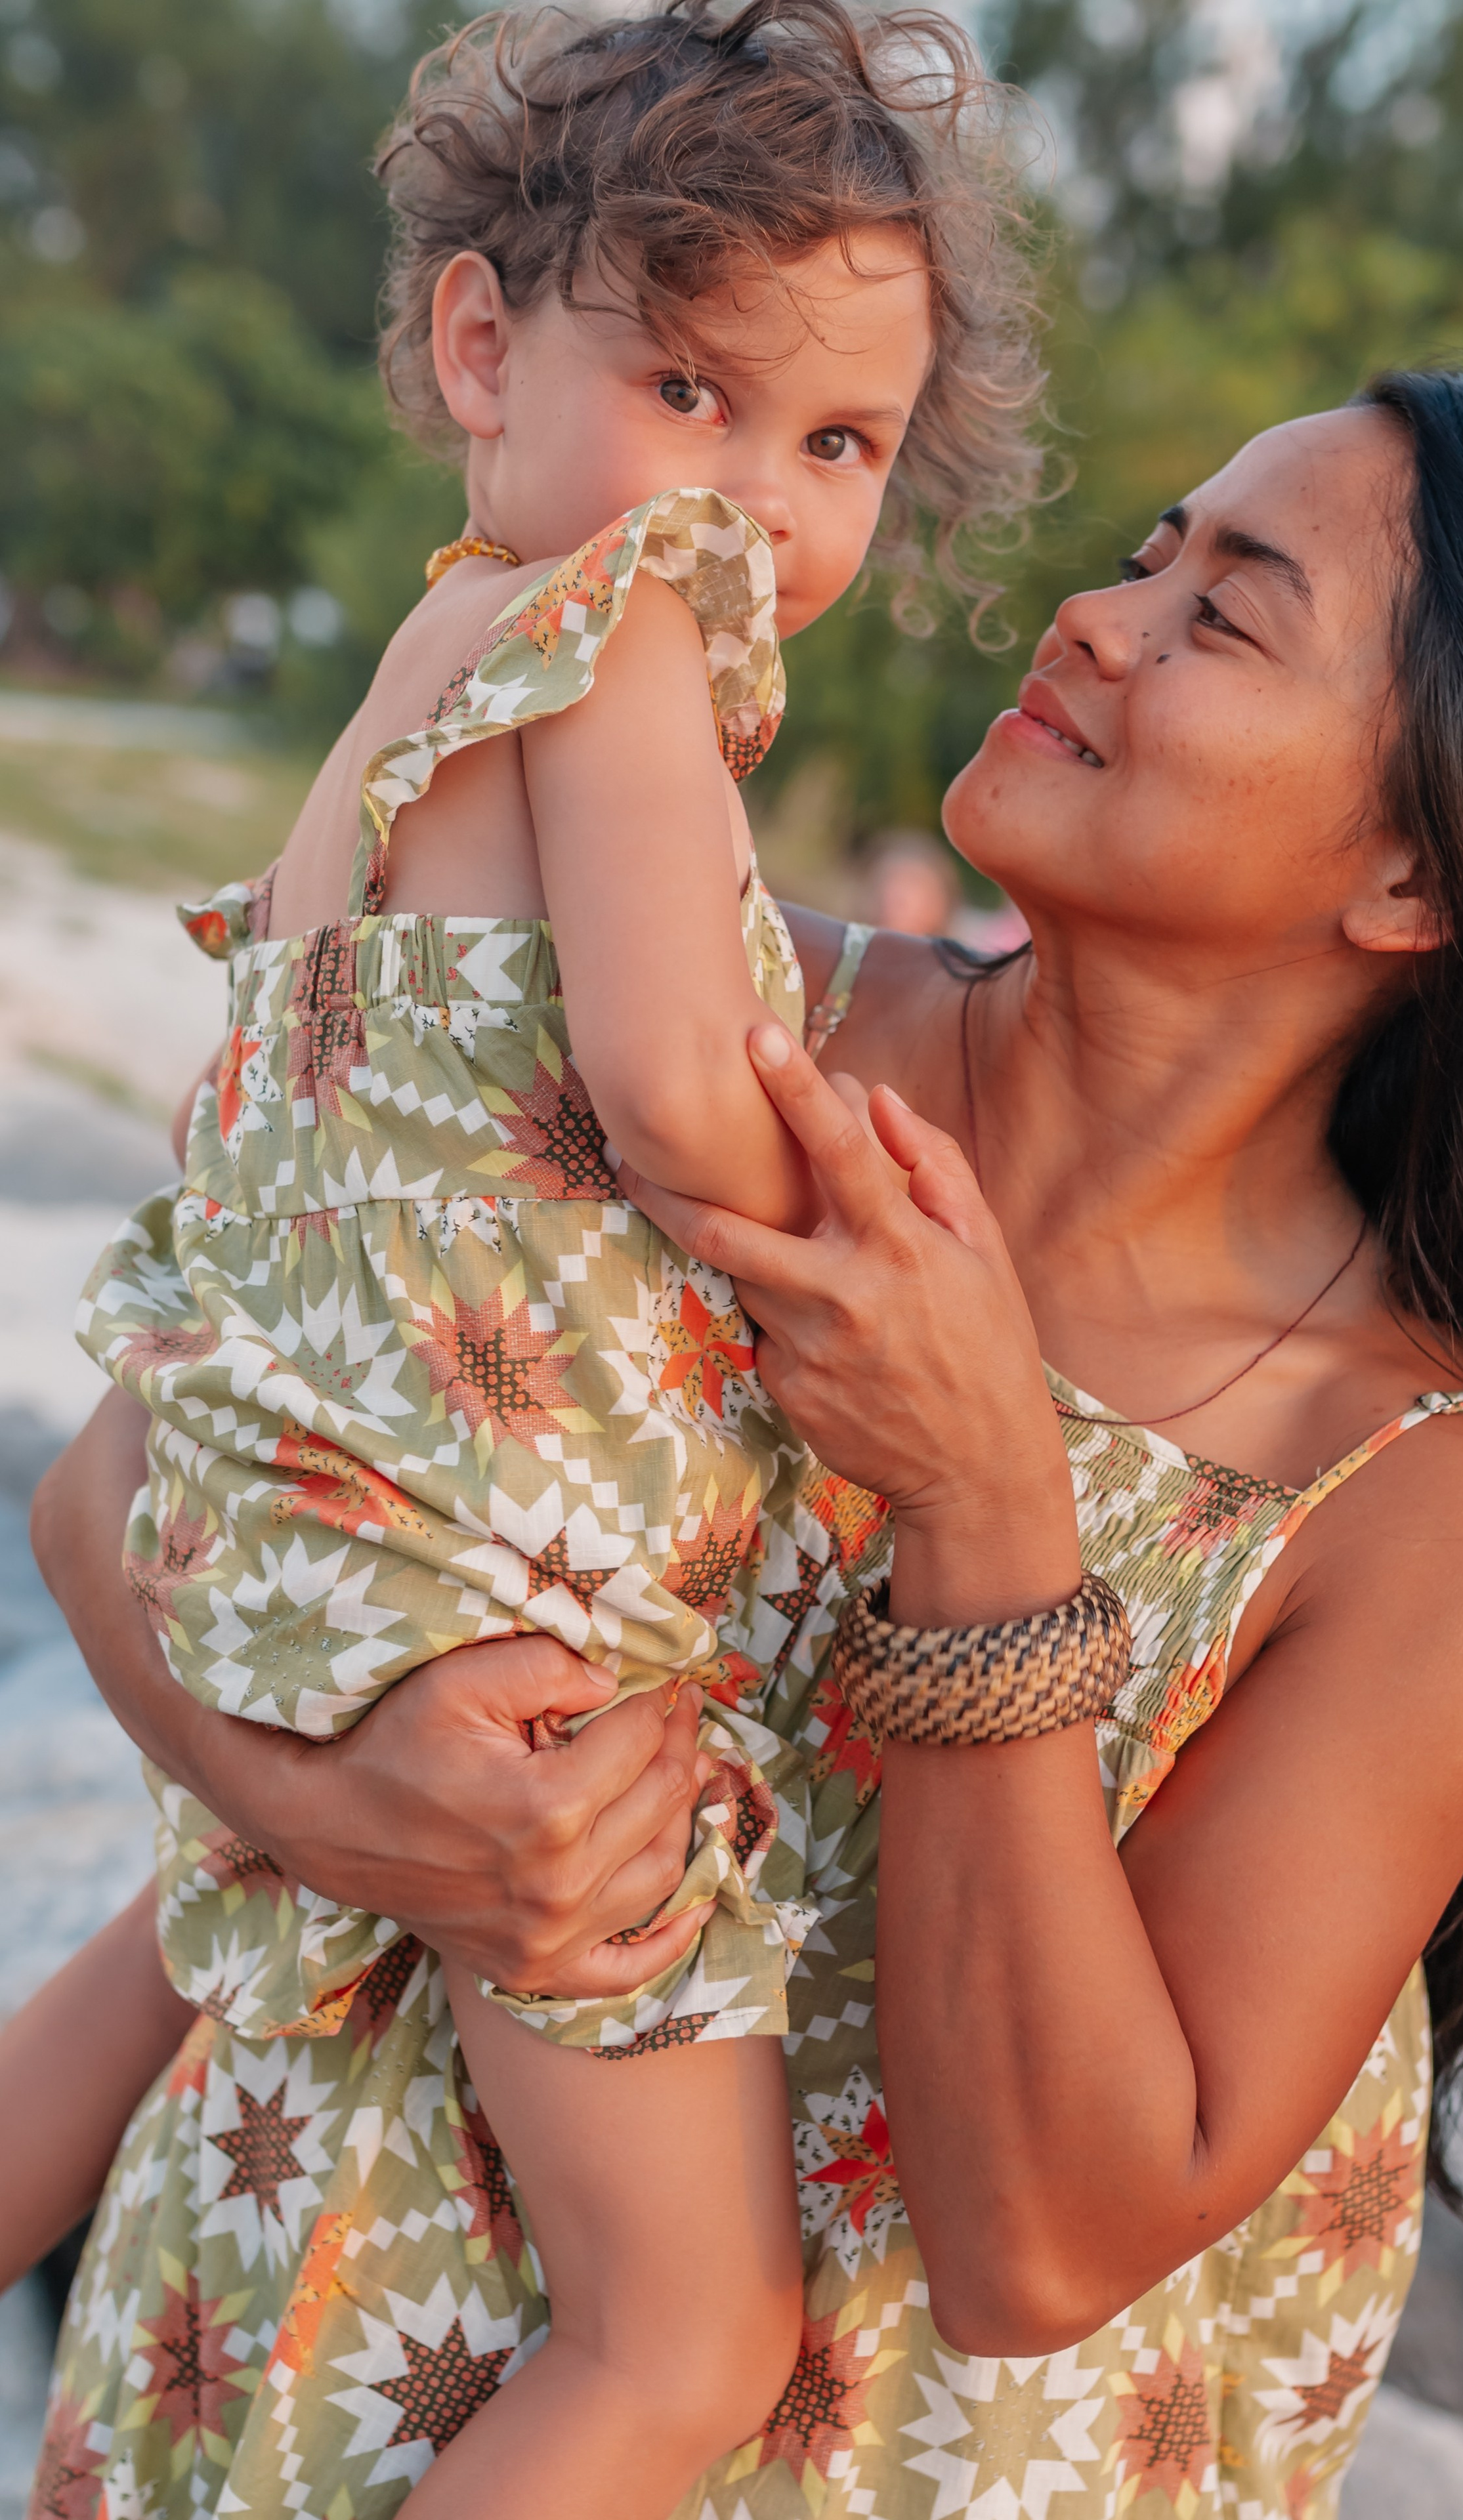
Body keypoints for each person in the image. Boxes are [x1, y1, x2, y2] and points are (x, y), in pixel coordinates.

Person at [24, 368, 1463, 2519]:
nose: (1100, 613)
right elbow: (120, 1492)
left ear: (1414, 868)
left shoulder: (1427, 1499)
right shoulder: (679, 1024)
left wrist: (986, 1505)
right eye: (1148, 551)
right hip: (301, 2319)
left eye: (1229, 612)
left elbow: (1047, 2245)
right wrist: (327, 1798)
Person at [4, 3, 1045, 2514]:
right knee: (684, 2332)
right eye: (695, 386)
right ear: (482, 339)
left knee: (173, 1937)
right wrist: (861, 1224)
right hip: (494, 1562)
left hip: (294, 1507)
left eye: (839, 444)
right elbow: (681, 1086)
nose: (763, 499)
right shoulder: (637, 633)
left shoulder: (414, 673)